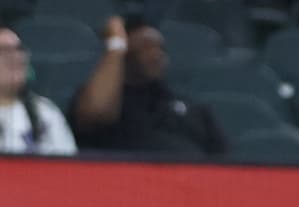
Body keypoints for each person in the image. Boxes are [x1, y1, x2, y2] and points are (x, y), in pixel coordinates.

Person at [69, 16, 224, 155]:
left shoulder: (190, 106)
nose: (157, 54)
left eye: (161, 48)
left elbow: (222, 157)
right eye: (146, 47)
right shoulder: (109, 100)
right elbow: (96, 113)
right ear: (126, 52)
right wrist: (116, 46)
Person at [0, 24, 76, 155]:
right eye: (4, 50)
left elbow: (68, 170)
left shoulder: (45, 111)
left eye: (19, 49)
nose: (16, 57)